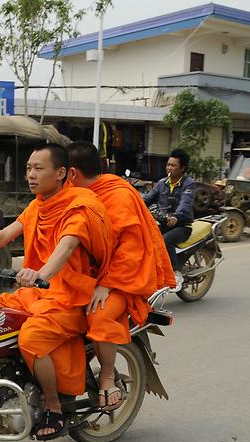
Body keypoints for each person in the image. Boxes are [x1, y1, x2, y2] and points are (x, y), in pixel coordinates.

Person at [0, 143, 113, 440]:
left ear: (61, 173)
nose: (30, 175)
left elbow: (67, 244)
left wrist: (40, 274)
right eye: (28, 169)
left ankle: (54, 407)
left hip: (70, 297)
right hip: (38, 293)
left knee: (31, 339)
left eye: (38, 169)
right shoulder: (37, 205)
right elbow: (5, 235)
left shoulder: (79, 205)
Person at [67, 142, 175, 411]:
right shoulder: (72, 193)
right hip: (84, 276)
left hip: (121, 279)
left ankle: (106, 377)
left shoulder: (117, 196)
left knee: (99, 314)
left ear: (70, 173)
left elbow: (130, 249)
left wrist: (107, 284)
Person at [143, 148, 195, 287]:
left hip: (182, 226)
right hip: (165, 223)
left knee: (165, 241)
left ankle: (175, 272)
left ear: (183, 168)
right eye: (168, 165)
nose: (169, 168)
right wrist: (131, 201)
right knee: (145, 238)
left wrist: (176, 216)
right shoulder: (162, 183)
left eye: (173, 165)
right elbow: (147, 199)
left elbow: (186, 202)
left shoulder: (188, 183)